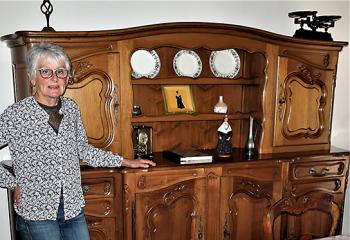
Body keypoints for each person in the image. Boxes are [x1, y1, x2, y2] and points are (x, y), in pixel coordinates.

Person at [0, 42, 156, 240]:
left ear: (67, 78)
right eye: (46, 71)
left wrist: (126, 161)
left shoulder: (71, 109)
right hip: (37, 212)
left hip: (72, 208)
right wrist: (12, 182)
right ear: (32, 78)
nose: (55, 78)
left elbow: (83, 150)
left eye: (61, 72)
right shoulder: (16, 114)